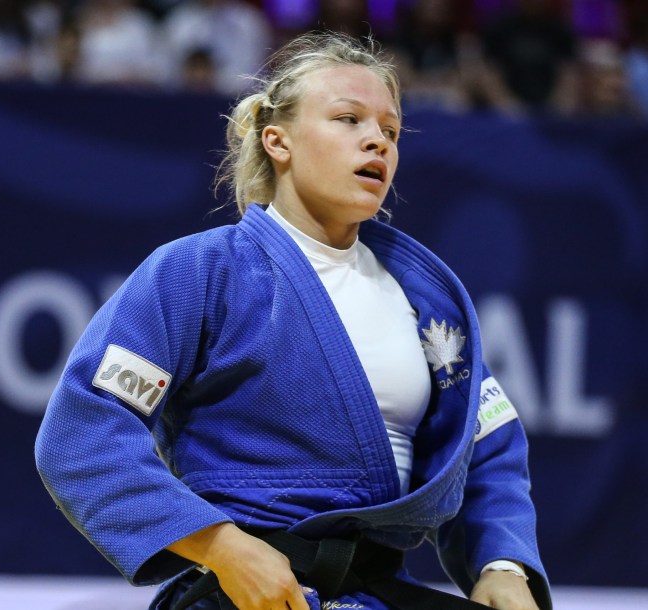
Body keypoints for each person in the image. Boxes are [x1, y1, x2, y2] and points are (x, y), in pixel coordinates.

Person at [35, 30, 551, 610]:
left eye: (390, 130)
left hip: (379, 593)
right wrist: (222, 547)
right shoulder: (201, 270)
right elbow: (85, 428)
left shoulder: (425, 297)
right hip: (244, 591)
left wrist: (502, 564)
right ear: (278, 142)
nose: (376, 142)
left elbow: (487, 446)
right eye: (348, 119)